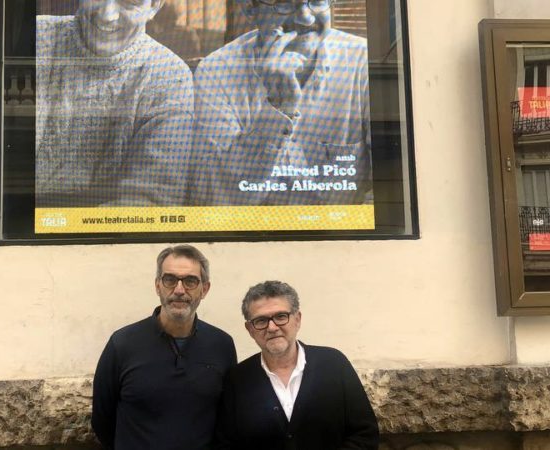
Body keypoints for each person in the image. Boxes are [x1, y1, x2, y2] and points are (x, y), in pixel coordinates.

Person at [189, 0, 372, 206]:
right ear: (250, 8)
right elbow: (215, 199)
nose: (306, 18)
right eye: (284, 3)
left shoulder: (363, 61)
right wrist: (277, 109)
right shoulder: (215, 72)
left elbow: (383, 192)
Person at [36, 0, 193, 208]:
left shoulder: (169, 75)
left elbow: (150, 202)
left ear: (154, 6)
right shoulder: (37, 38)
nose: (107, 15)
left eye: (130, 2)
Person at [91, 245, 237, 450]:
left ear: (205, 289)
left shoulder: (222, 345)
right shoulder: (122, 344)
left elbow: (226, 419)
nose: (179, 290)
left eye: (190, 281)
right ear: (158, 286)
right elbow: (102, 421)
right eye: (170, 280)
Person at [216, 280, 379, 449]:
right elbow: (226, 444)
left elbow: (365, 434)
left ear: (297, 319)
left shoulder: (334, 364)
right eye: (261, 320)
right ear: (250, 329)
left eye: (281, 316)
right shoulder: (237, 379)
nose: (272, 327)